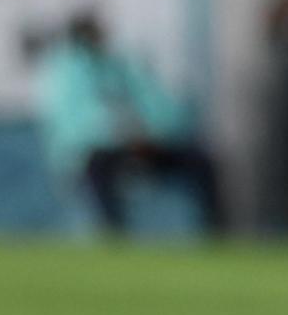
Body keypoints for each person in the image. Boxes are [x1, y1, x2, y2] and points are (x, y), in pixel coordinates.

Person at [37, 12, 224, 234]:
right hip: (99, 150)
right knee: (98, 166)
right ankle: (113, 234)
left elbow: (159, 104)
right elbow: (75, 124)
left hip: (146, 143)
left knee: (200, 161)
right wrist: (122, 135)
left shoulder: (123, 64)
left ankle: (215, 232)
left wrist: (150, 134)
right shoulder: (64, 71)